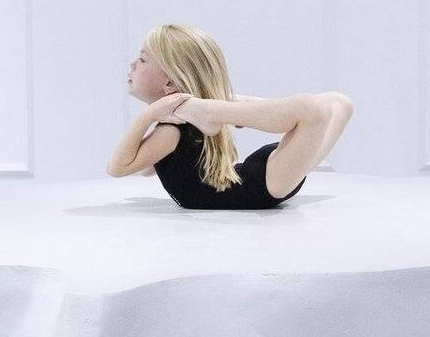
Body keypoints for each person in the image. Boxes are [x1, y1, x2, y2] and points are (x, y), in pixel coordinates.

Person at [106, 23, 353, 209]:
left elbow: (117, 168)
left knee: (318, 107)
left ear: (170, 83)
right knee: (337, 104)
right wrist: (153, 114)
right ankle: (218, 103)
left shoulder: (170, 131)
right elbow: (140, 168)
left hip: (265, 181)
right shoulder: (173, 129)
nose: (132, 64)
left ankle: (211, 107)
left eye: (143, 60)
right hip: (271, 178)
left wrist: (146, 116)